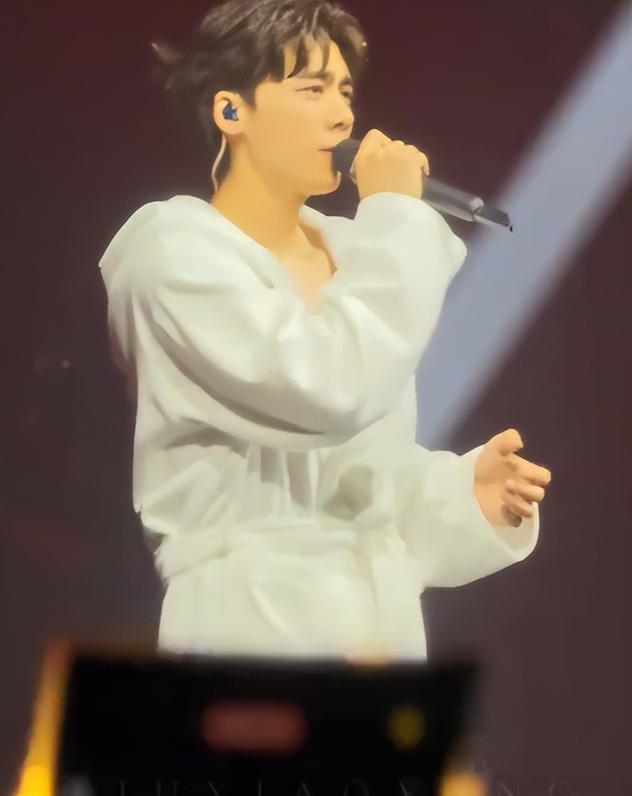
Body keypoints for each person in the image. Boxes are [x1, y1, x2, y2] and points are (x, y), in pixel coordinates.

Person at [98, 0, 551, 662]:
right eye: (312, 89)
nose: (342, 115)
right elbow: (326, 390)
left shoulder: (354, 259)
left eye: (345, 92)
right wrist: (396, 217)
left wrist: (461, 498)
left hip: (379, 641)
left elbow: (361, 497)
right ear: (232, 111)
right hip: (247, 628)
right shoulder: (173, 251)